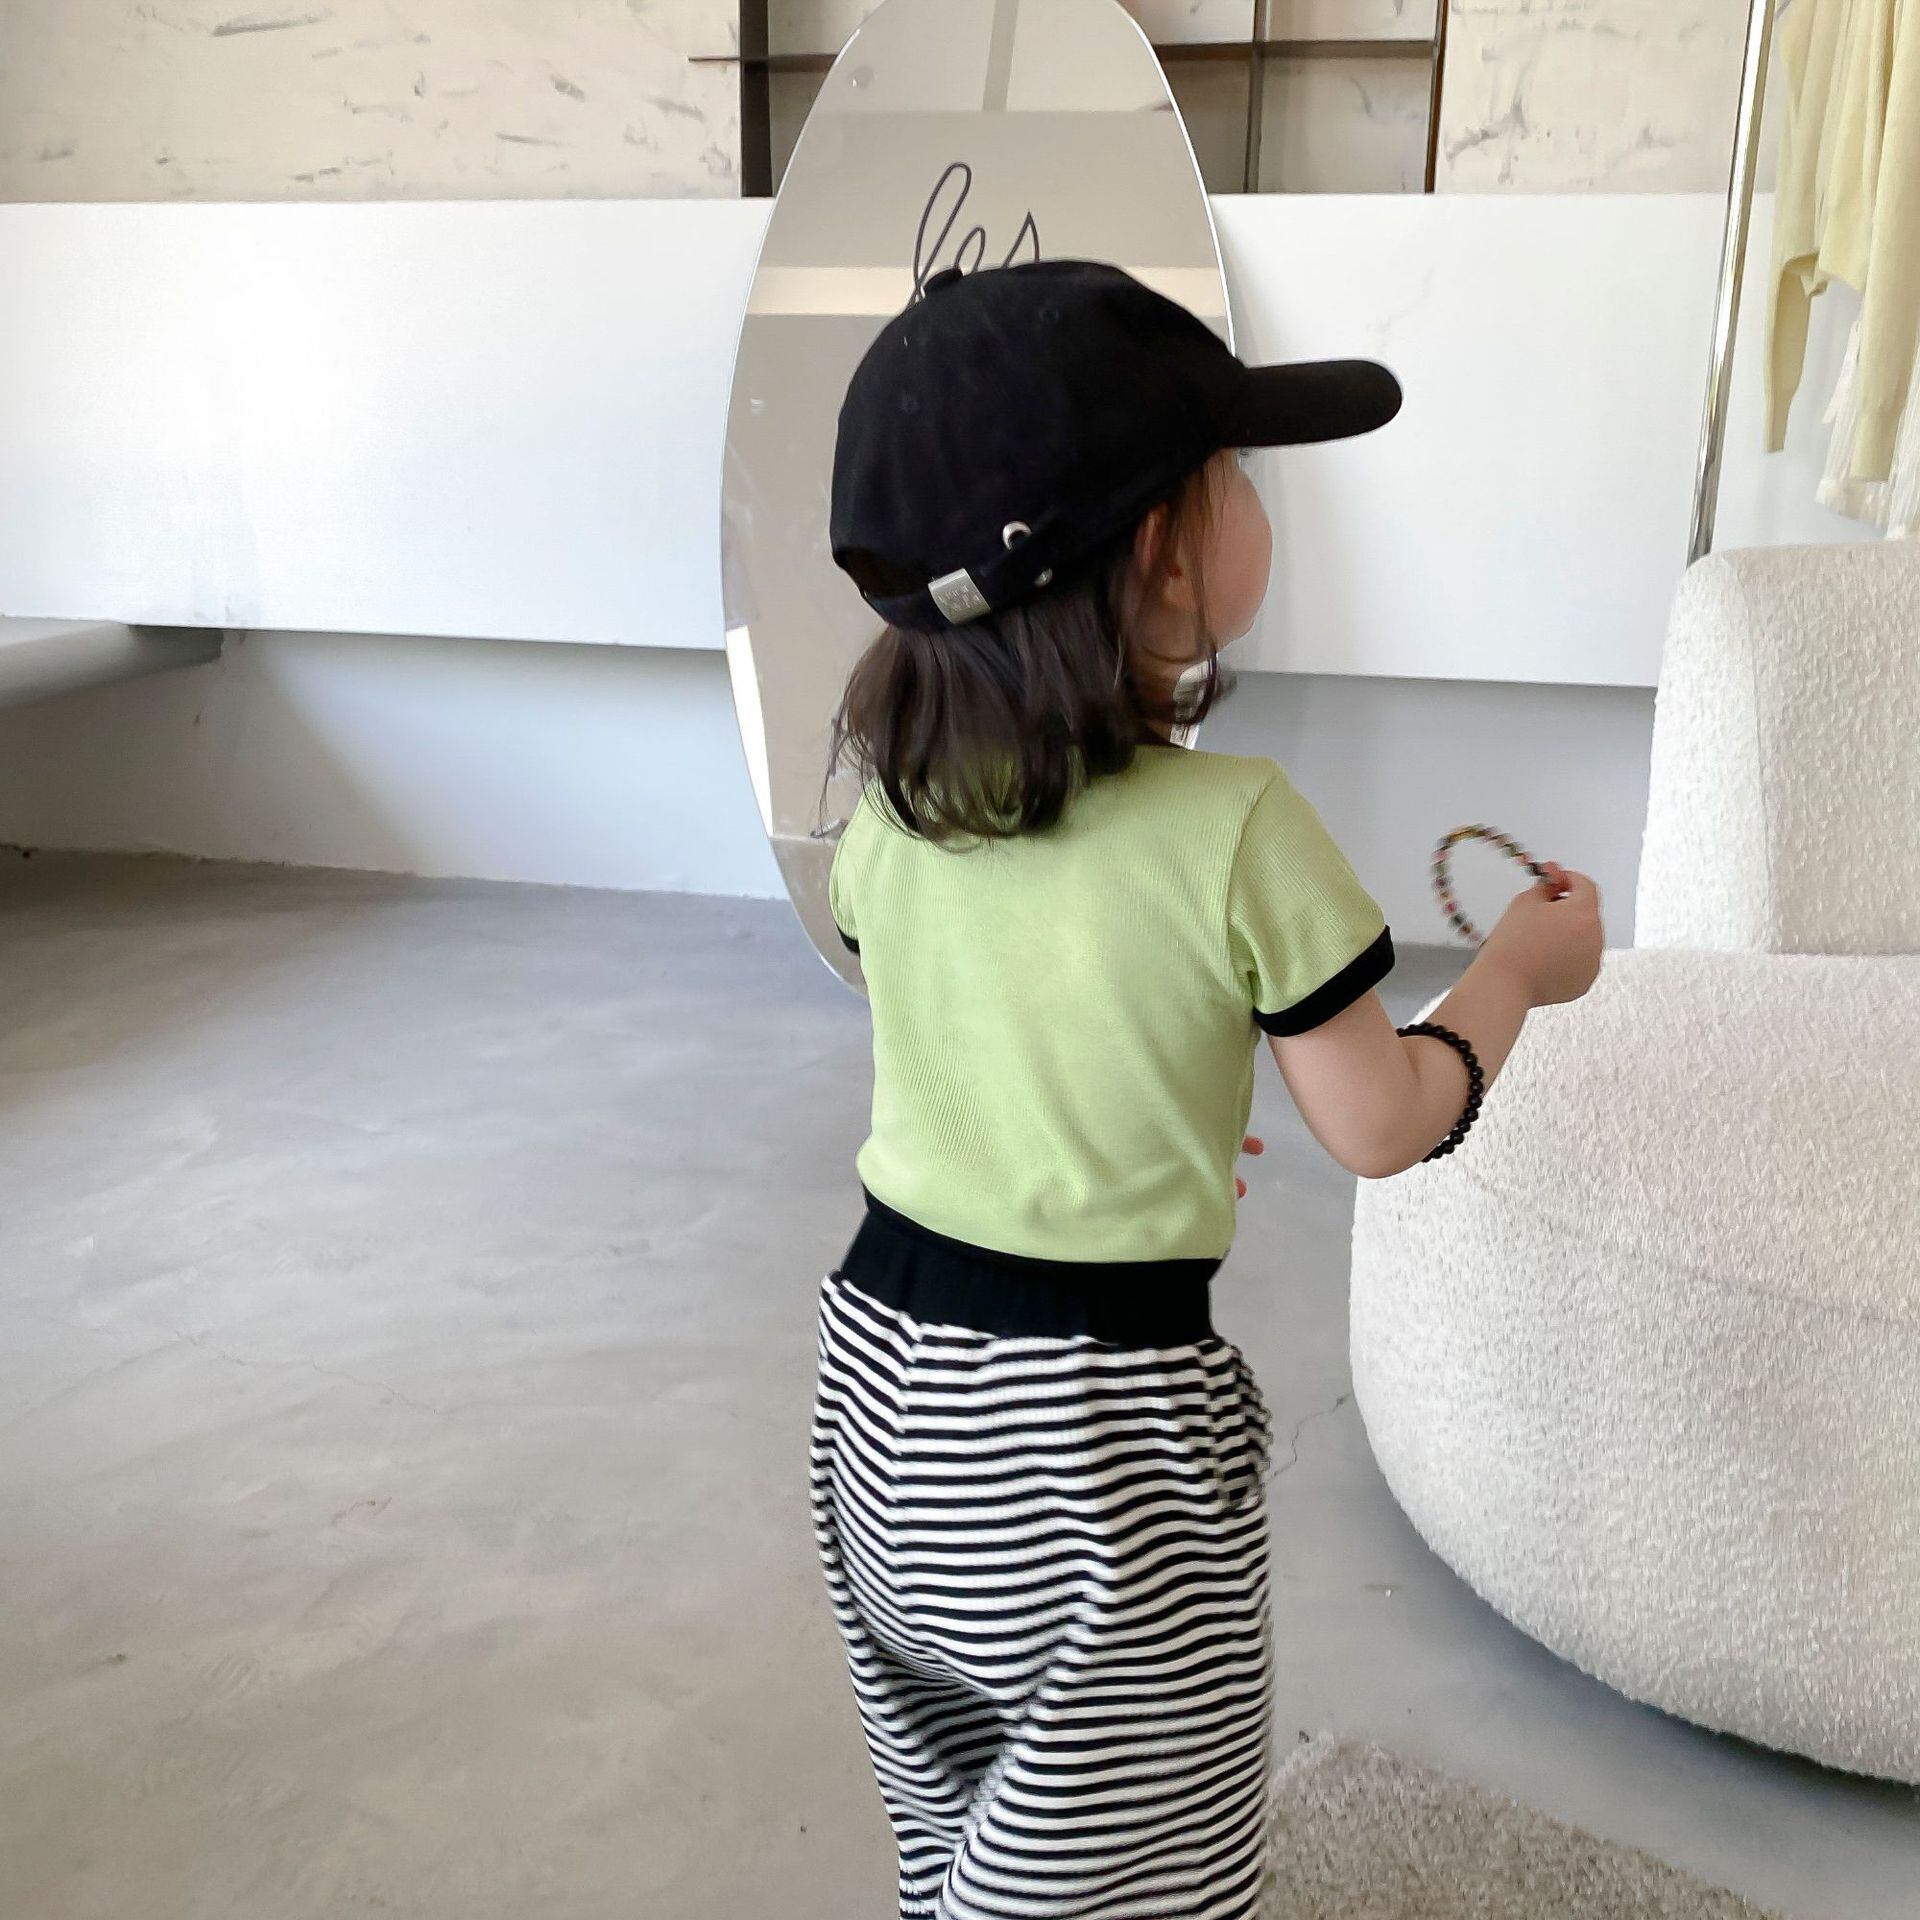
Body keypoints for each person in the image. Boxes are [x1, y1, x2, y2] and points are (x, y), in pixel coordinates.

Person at [811, 260, 1605, 1920]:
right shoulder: (1238, 825)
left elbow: (944, 1019)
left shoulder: (889, 811)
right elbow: (1381, 1120)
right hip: (1088, 1440)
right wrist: (1520, 974)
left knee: (961, 1816)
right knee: (1139, 1861)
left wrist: (1130, 1099)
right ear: (1165, 552)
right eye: (1237, 472)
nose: (1262, 504)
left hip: (879, 1396)